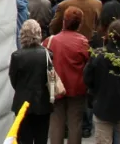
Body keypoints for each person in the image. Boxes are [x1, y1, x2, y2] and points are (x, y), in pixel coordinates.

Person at [44, 8, 89, 144]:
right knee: (75, 124)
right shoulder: (83, 42)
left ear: (64, 21)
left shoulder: (50, 41)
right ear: (79, 24)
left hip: (56, 88)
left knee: (56, 124)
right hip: (77, 88)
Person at [7, 20, 50, 144]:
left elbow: (13, 79)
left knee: (23, 138)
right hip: (43, 102)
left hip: (22, 102)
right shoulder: (47, 54)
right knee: (41, 138)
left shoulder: (16, 56)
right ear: (39, 34)